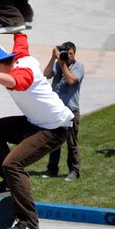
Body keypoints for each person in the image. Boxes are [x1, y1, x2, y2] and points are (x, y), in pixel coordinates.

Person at [0, 31, 74, 229]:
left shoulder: (23, 73)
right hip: (34, 123)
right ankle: (8, 182)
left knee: (12, 164)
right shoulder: (20, 56)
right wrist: (13, 28)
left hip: (53, 130)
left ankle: (29, 222)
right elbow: (21, 37)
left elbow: (15, 82)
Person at [42, 41, 84, 181]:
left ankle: (74, 171)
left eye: (71, 53)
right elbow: (46, 74)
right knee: (54, 142)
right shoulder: (57, 63)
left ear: (74, 53)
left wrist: (62, 64)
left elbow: (72, 80)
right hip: (56, 110)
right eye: (66, 53)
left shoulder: (79, 66)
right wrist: (53, 58)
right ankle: (52, 169)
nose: (68, 56)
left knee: (72, 143)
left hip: (71, 110)